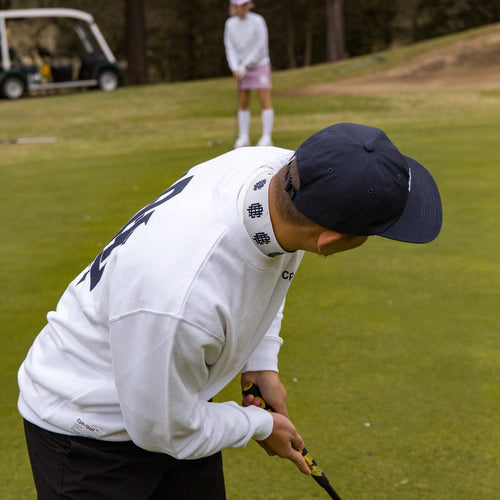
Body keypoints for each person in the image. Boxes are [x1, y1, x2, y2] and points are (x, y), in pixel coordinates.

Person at [18, 122, 442, 499]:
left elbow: (269, 268)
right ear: (329, 241)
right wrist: (259, 426)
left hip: (173, 393)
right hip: (88, 433)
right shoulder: (183, 296)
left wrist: (261, 362)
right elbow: (165, 430)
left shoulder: (276, 174)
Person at [224, 0, 274, 148]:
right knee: (243, 101)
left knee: (264, 100)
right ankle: (243, 136)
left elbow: (261, 46)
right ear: (234, 7)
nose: (244, 8)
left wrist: (246, 64)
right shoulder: (230, 24)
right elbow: (230, 47)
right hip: (240, 67)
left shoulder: (258, 21)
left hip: (259, 64)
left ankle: (266, 137)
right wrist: (234, 67)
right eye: (241, 5)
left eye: (246, 5)